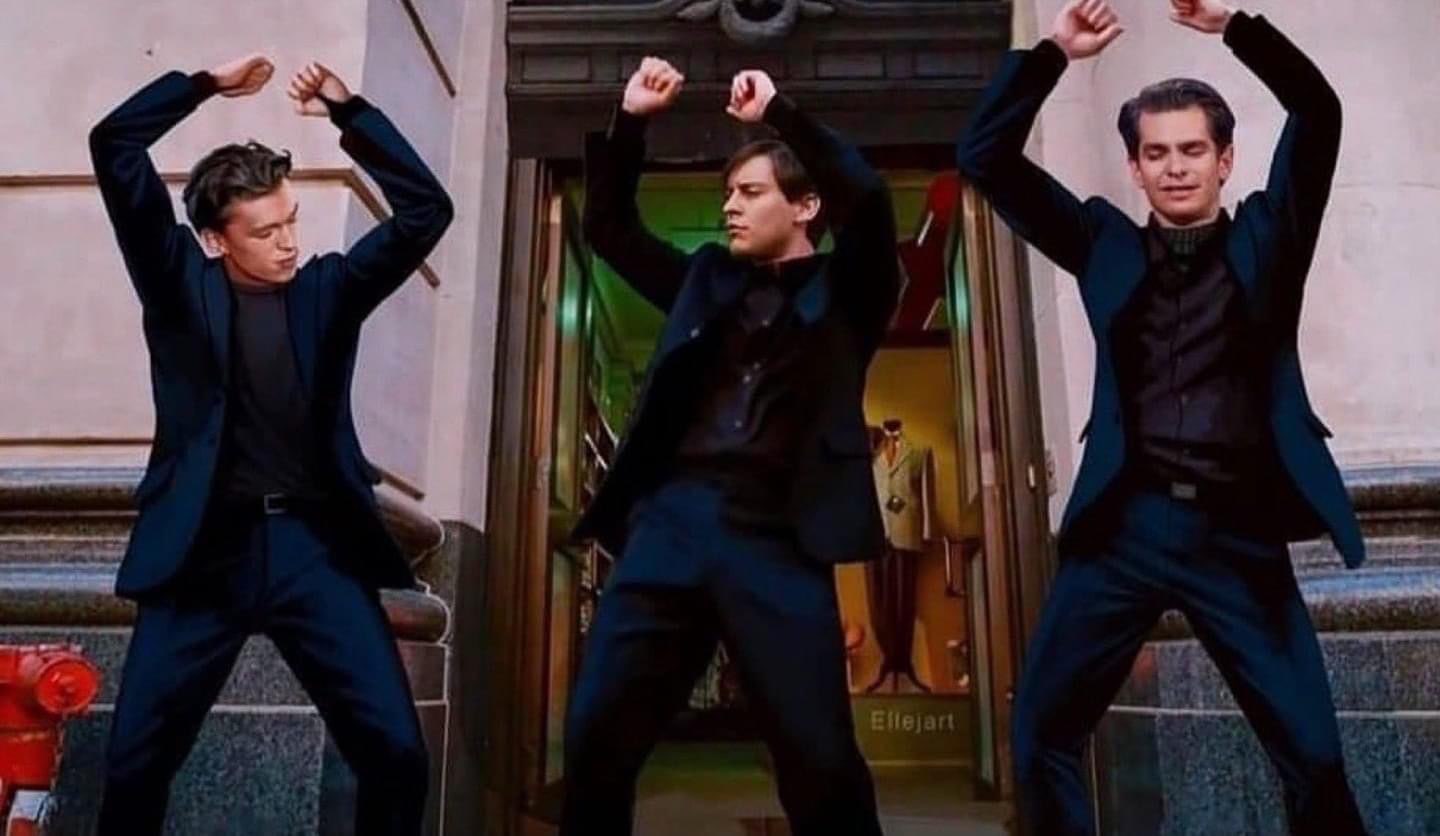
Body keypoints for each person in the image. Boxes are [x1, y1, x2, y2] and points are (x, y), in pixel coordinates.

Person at [957, 1, 1368, 833]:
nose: (1175, 167)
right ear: (1136, 169)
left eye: (1192, 150)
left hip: (1237, 535)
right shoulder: (1101, 242)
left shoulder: (1271, 238)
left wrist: (1237, 27)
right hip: (1126, 530)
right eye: (1156, 153)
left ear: (1225, 160)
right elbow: (983, 157)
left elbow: (1317, 110)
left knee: (1316, 758)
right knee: (1040, 735)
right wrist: (1053, 54)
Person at [89, 53, 453, 835]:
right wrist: (202, 85)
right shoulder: (176, 283)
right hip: (202, 554)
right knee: (133, 765)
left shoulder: (329, 290)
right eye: (265, 230)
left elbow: (427, 212)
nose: (288, 242)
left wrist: (350, 111)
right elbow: (113, 145)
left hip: (312, 552)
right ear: (217, 241)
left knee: (397, 753)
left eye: (291, 220)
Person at [561, 57, 899, 836]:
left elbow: (869, 200)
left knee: (821, 761)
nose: (730, 208)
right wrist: (630, 120)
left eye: (749, 193)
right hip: (670, 526)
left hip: (778, 537)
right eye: (728, 195)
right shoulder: (704, 280)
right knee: (596, 735)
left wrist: (781, 113)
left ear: (805, 205)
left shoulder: (851, 292)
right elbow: (608, 229)